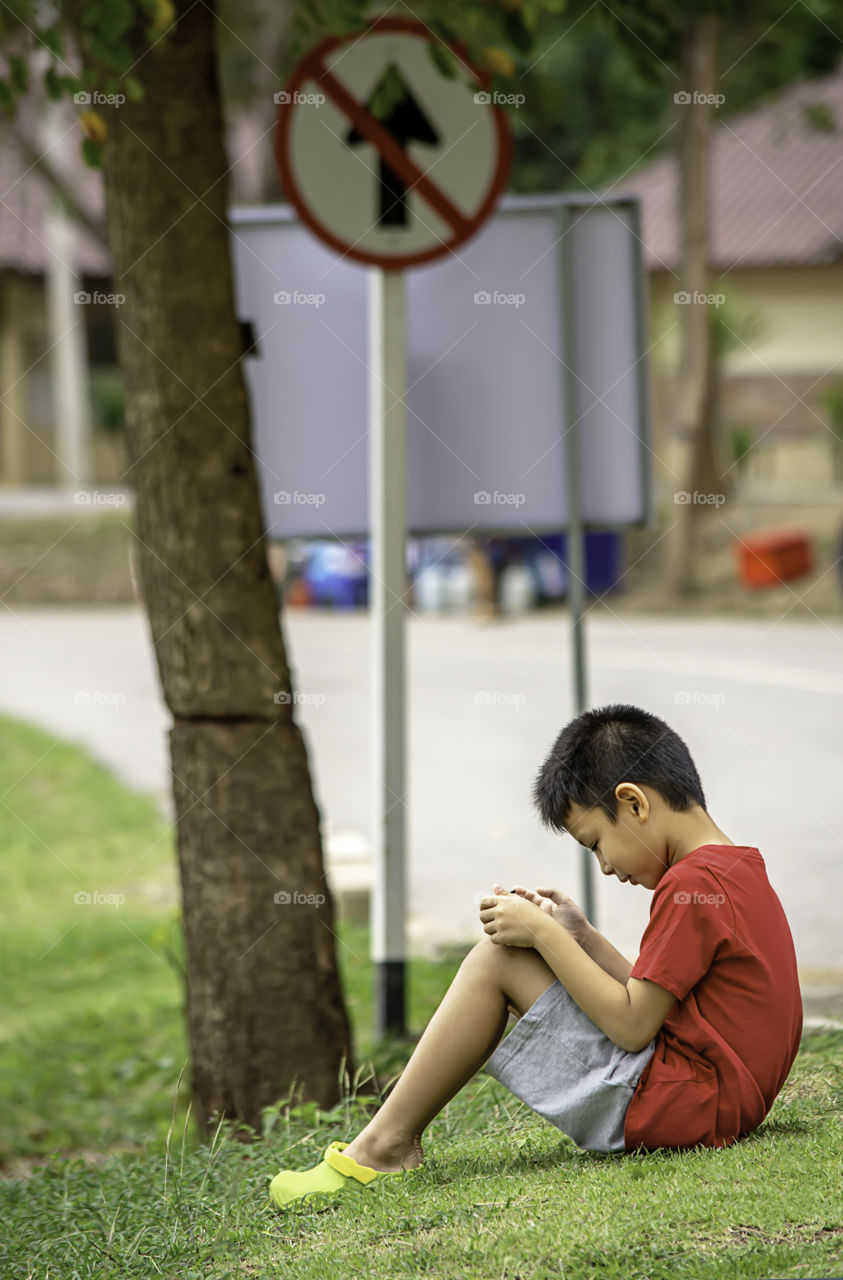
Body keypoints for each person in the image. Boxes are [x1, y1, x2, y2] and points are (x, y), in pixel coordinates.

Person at [269, 703, 802, 1208]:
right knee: (514, 954)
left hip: (685, 1107)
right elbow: (658, 996)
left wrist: (544, 937)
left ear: (634, 802)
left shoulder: (687, 885)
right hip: (724, 1099)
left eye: (595, 843)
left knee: (495, 961)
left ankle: (384, 1147)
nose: (606, 867)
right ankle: (384, 1142)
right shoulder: (732, 870)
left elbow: (635, 1025)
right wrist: (582, 937)